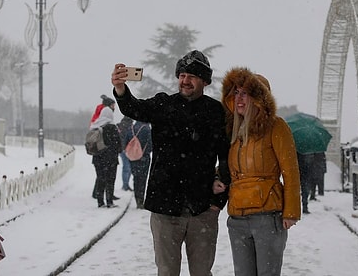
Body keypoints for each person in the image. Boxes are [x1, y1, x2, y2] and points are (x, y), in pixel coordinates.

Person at [111, 50, 230, 276]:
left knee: (202, 273)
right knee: (166, 272)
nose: (185, 81)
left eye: (192, 76)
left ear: (204, 81)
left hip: (202, 209)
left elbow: (226, 156)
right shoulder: (163, 104)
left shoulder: (215, 112)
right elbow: (132, 107)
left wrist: (217, 201)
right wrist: (120, 89)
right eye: (182, 75)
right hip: (165, 207)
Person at [220, 67, 301, 276]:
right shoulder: (234, 131)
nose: (239, 98)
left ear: (259, 98)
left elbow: (290, 171)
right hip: (237, 218)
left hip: (267, 216)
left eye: (245, 93)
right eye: (236, 92)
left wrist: (291, 211)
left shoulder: (276, 126)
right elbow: (230, 170)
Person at [90, 99, 122, 208]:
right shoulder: (112, 127)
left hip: (97, 158)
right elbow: (118, 144)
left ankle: (100, 201)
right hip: (110, 159)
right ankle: (109, 201)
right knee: (110, 180)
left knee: (100, 178)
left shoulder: (95, 126)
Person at [129, 120, 152, 209]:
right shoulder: (146, 129)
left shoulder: (131, 128)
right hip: (144, 158)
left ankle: (137, 197)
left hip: (133, 158)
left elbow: (126, 140)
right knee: (143, 179)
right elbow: (150, 144)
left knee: (136, 178)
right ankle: (141, 199)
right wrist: (145, 152)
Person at [116, 115, 134, 191]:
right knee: (128, 167)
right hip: (128, 149)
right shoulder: (129, 126)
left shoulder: (120, 125)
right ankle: (126, 185)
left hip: (121, 149)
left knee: (126, 167)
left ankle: (125, 184)